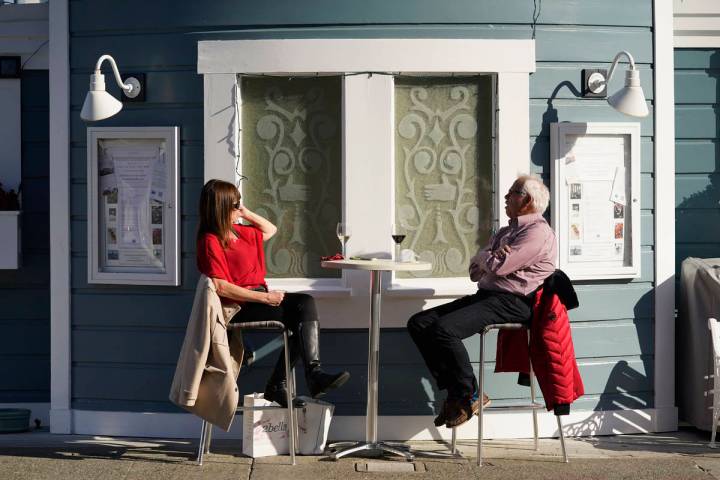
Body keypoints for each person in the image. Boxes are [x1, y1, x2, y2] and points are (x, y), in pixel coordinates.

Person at [407, 174, 557, 428]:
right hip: (489, 296)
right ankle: (458, 394)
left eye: (512, 193)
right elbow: (476, 272)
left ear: (528, 200)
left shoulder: (537, 233)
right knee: (419, 323)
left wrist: (489, 258)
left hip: (514, 301)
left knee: (444, 330)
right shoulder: (509, 230)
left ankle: (468, 395)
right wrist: (488, 256)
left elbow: (499, 267)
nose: (507, 197)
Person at [196, 179, 350, 407]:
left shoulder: (239, 231)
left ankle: (309, 374)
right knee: (299, 314)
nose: (238, 208)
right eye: (234, 204)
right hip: (239, 306)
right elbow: (221, 286)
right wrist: (266, 298)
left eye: (239, 203)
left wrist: (244, 211)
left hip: (257, 298)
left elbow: (270, 229)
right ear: (221, 207)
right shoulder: (210, 240)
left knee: (304, 306)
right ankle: (289, 382)